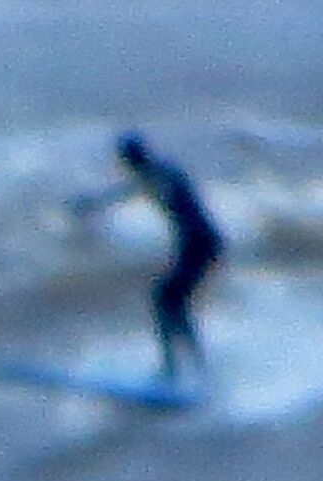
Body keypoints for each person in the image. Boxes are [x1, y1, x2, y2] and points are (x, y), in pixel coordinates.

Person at [75, 131, 221, 385]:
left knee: (165, 300)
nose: (126, 165)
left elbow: (171, 186)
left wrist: (94, 204)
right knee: (171, 303)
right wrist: (91, 204)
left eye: (126, 160)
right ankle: (193, 367)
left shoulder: (162, 174)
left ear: (133, 158)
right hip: (195, 244)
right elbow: (124, 191)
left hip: (202, 243)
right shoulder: (152, 174)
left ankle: (175, 370)